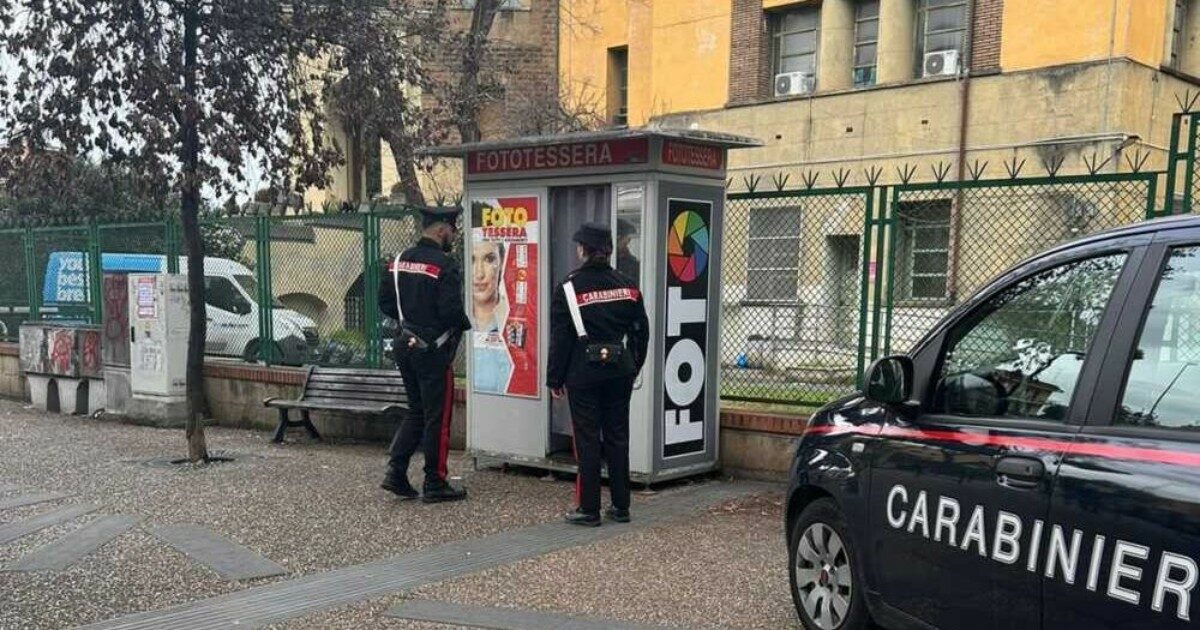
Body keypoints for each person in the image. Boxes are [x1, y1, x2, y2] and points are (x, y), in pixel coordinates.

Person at [547, 222, 650, 527]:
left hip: (583, 372)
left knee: (588, 439)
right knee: (618, 437)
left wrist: (555, 379)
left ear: (583, 250)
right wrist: (633, 365)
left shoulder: (568, 287)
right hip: (620, 371)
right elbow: (641, 332)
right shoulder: (628, 285)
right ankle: (621, 506)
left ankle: (588, 509)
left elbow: (561, 338)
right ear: (608, 251)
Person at [378, 206, 472, 503]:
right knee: (437, 418)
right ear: (443, 228)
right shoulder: (445, 264)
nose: (452, 238)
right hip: (432, 350)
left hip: (404, 344)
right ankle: (435, 481)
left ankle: (396, 471)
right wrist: (462, 324)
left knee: (416, 411)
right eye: (452, 232)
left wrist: (412, 319)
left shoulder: (399, 260)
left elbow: (385, 303)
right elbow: (451, 311)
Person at [615, 218, 640, 286]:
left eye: (629, 239)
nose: (628, 241)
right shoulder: (605, 260)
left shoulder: (633, 265)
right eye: (627, 238)